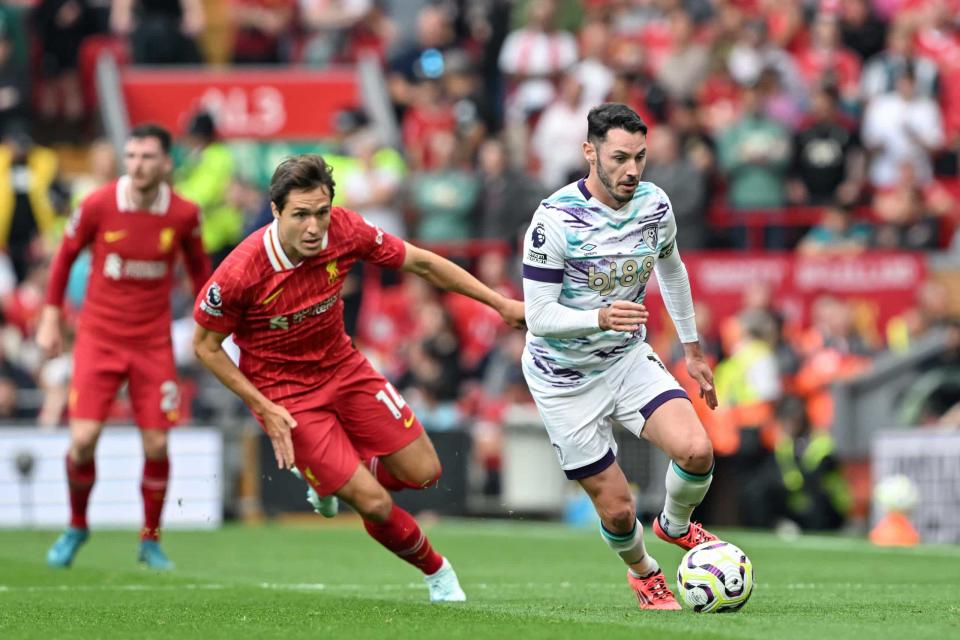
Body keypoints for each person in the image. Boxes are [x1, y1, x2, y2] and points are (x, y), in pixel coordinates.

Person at [191, 154, 524, 602]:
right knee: (374, 503)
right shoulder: (240, 272)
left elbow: (422, 263)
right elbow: (205, 346)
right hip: (286, 397)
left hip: (345, 368)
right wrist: (265, 408)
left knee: (425, 472)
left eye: (321, 212)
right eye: (301, 215)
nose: (314, 227)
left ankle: (336, 476)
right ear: (275, 211)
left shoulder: (345, 230)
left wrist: (498, 303)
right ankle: (438, 573)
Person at [520, 103, 718, 610]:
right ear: (590, 152)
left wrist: (692, 348)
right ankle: (645, 573)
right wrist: (599, 317)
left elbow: (671, 268)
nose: (632, 170)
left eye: (640, 158)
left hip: (625, 359)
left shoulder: (654, 205)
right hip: (562, 376)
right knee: (616, 509)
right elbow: (538, 316)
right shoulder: (554, 220)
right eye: (619, 158)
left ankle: (675, 526)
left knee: (697, 450)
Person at [37, 124, 211, 570]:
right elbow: (64, 256)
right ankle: (77, 525)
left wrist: (211, 326)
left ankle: (150, 540)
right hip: (99, 337)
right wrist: (51, 316)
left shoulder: (184, 215)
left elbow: (201, 275)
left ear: (167, 163)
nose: (137, 165)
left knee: (156, 443)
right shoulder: (97, 204)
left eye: (147, 157)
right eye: (131, 156)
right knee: (82, 440)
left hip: (152, 342)